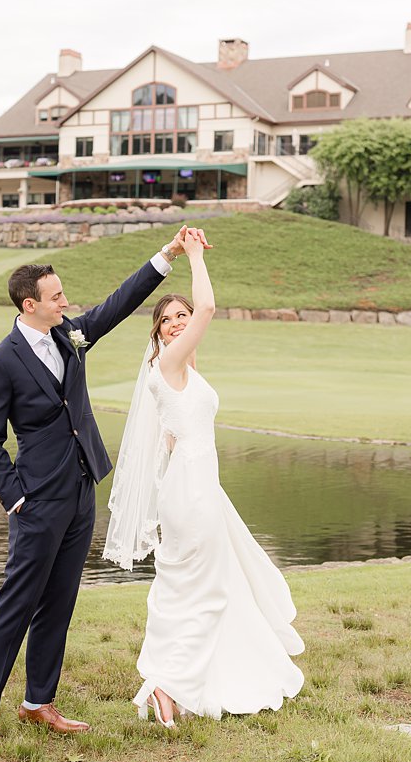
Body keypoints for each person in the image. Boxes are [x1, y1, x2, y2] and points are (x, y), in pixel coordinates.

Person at [0, 225, 196, 749]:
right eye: (57, 296)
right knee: (16, 603)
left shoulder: (70, 335)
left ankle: (37, 702)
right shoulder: (0, 361)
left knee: (61, 600)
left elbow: (116, 304)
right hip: (36, 499)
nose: (66, 301)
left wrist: (167, 256)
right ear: (30, 305)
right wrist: (16, 497)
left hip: (81, 487)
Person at [103, 227, 304, 727]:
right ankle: (167, 687)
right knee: (204, 587)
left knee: (195, 586)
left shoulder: (181, 371)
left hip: (195, 484)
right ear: (157, 333)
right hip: (191, 491)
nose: (174, 324)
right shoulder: (169, 362)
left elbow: (173, 430)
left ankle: (186, 681)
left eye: (180, 316)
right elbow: (209, 308)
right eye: (166, 319)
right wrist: (192, 255)